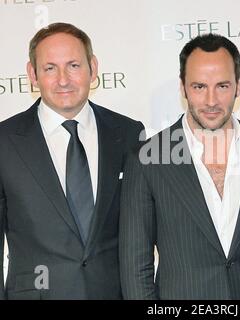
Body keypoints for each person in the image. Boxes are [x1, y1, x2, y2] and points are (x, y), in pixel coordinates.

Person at [119, 33, 240, 299]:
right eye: (199, 87)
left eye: (222, 86)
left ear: (238, 87)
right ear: (183, 88)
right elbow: (135, 265)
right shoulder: (147, 158)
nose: (211, 100)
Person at [0, 22, 144, 299]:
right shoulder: (4, 141)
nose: (63, 80)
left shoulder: (128, 134)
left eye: (74, 66)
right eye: (50, 68)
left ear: (93, 67)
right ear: (32, 74)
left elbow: (141, 231)